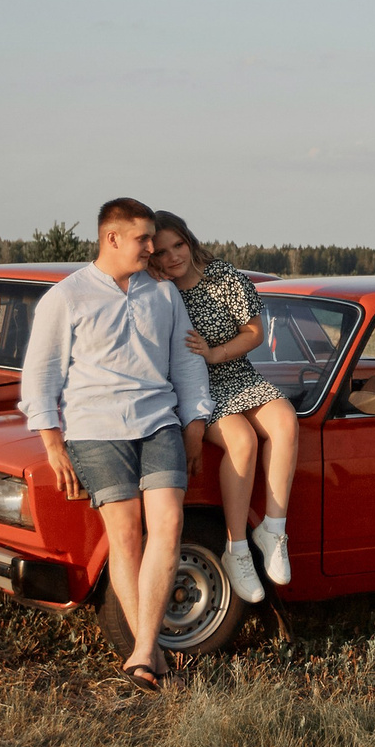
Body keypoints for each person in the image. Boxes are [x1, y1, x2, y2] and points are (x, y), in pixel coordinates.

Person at [20, 197, 215, 690]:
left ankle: (143, 651)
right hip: (95, 429)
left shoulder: (164, 295)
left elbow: (187, 362)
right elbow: (40, 376)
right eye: (143, 239)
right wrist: (53, 443)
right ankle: (148, 652)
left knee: (168, 524)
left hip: (159, 424)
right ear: (112, 238)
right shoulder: (67, 297)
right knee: (125, 533)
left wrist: (195, 421)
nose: (152, 248)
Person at [150, 210, 295, 603]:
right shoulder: (160, 291)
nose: (173, 257)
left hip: (234, 370)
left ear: (189, 240)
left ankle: (273, 530)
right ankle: (238, 549)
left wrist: (216, 354)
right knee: (242, 441)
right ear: (153, 257)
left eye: (177, 245)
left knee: (284, 420)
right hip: (193, 387)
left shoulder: (224, 276)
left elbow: (255, 333)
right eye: (162, 252)